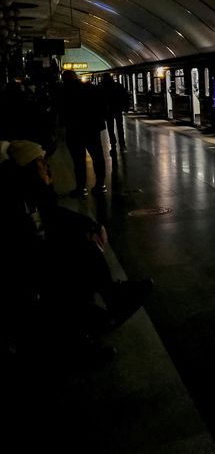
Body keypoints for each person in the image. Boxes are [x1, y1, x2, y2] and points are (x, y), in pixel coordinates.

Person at [0, 140, 153, 360]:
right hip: (21, 276)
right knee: (74, 253)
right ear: (28, 170)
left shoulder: (30, 194)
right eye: (41, 163)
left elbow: (53, 214)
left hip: (31, 261)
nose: (47, 166)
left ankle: (107, 302)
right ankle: (77, 339)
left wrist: (92, 225)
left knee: (79, 243)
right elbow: (24, 250)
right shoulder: (14, 204)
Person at [60, 70, 108, 197]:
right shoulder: (90, 88)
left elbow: (61, 111)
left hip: (74, 131)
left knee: (78, 161)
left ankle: (81, 188)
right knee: (97, 157)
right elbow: (102, 106)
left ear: (64, 79)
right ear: (75, 77)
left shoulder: (64, 91)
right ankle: (100, 185)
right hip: (92, 129)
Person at [100, 73, 128, 154]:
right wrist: (125, 107)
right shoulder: (117, 85)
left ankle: (113, 145)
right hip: (117, 109)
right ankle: (122, 145)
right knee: (120, 127)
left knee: (110, 129)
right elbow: (124, 95)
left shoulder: (102, 87)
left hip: (108, 111)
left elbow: (101, 100)